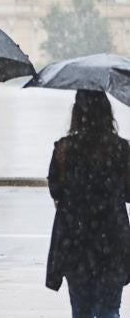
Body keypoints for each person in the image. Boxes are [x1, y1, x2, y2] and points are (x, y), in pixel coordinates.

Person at [46, 90, 130, 318]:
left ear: (76, 113)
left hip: (76, 240)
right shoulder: (122, 149)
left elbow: (56, 190)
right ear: (107, 113)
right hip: (113, 240)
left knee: (81, 310)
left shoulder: (64, 149)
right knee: (109, 309)